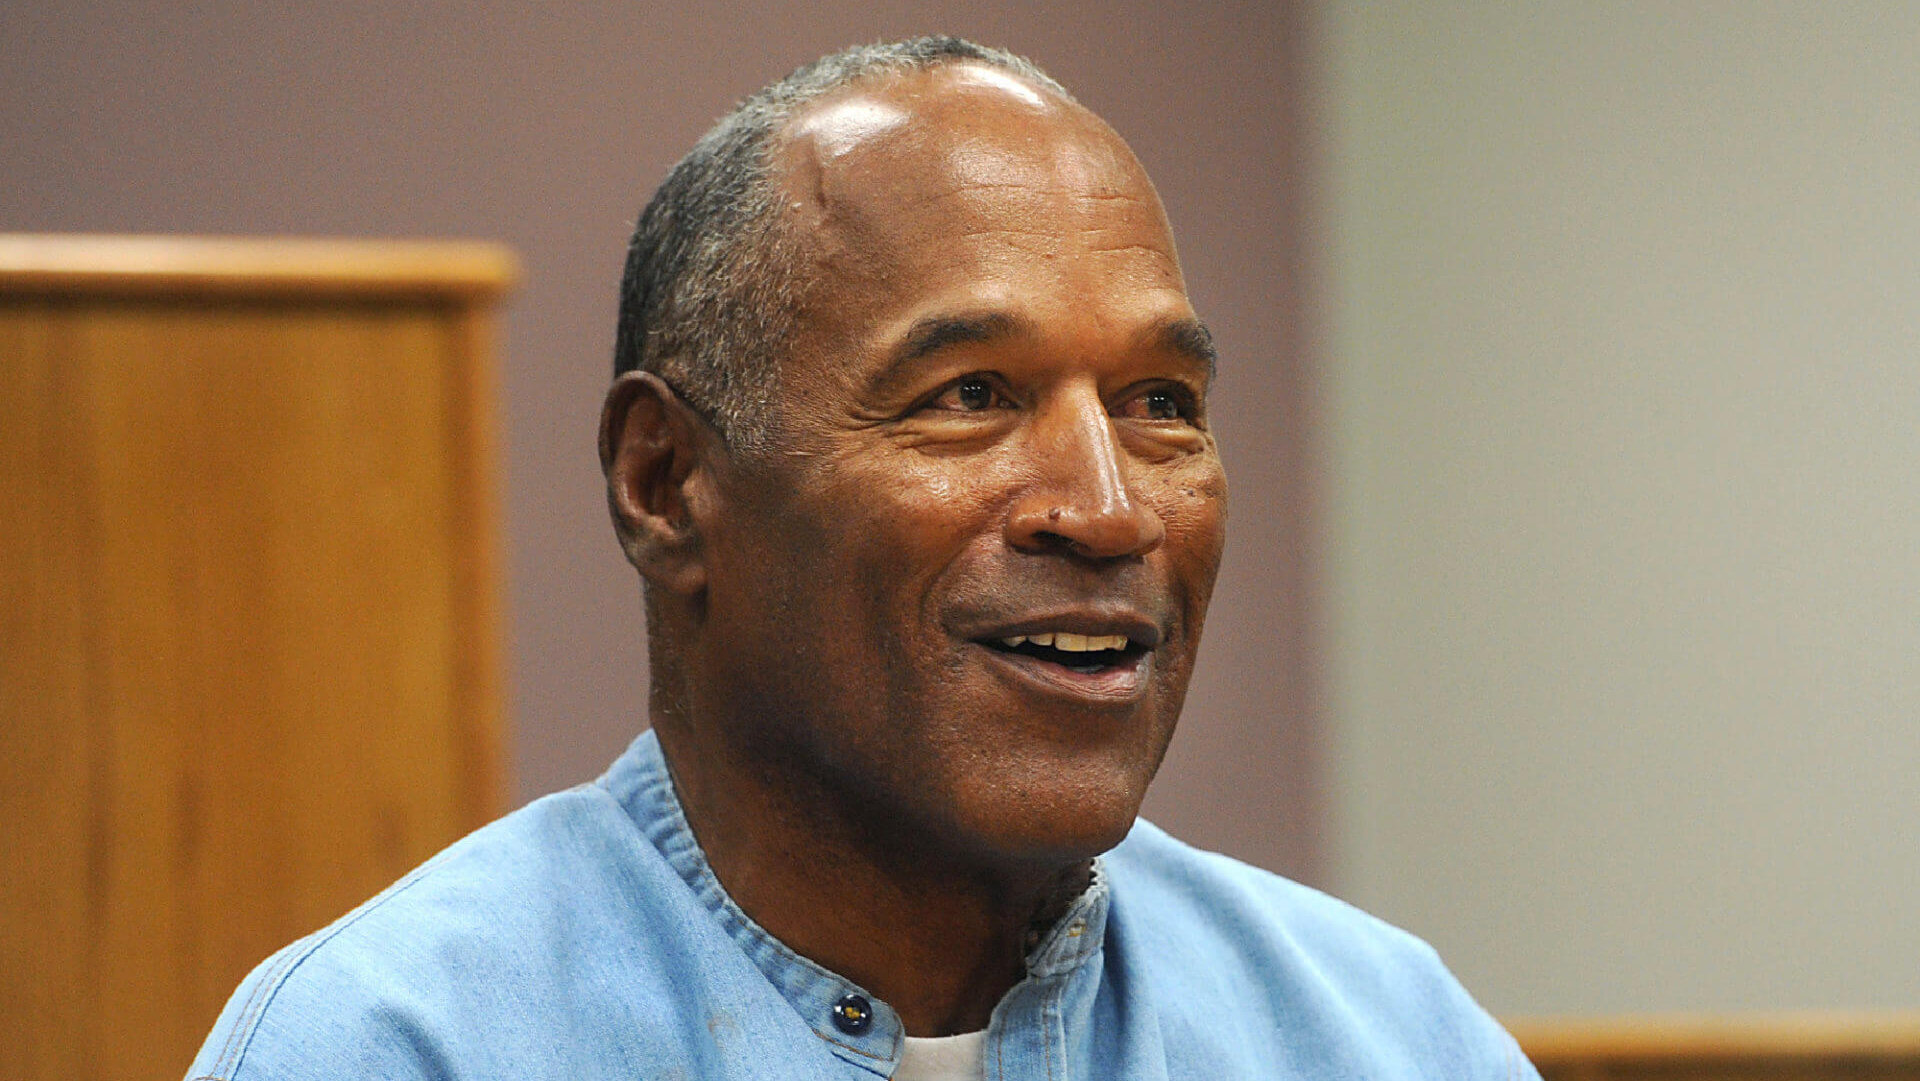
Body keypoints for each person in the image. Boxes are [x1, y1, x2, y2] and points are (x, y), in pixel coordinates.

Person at [187, 37, 1536, 1081]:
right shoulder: (404, 1043)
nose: (1110, 507)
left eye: (1162, 404)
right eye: (969, 394)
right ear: (667, 484)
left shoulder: (1380, 1034)